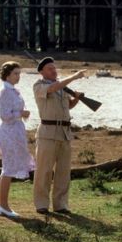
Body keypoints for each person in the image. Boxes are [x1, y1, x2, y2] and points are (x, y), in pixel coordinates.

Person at [33, 57, 86, 214]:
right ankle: (41, 204)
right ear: (42, 72)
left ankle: (61, 204)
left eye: (54, 68)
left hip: (65, 134)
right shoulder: (39, 85)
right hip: (47, 133)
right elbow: (51, 89)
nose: (54, 71)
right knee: (44, 171)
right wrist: (74, 77)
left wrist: (76, 99)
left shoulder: (61, 87)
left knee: (64, 172)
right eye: (50, 68)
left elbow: (68, 106)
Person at [0, 61, 35, 218]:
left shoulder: (13, 91)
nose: (18, 76)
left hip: (15, 131)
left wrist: (22, 113)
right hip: (8, 133)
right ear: (7, 74)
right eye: (15, 73)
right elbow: (4, 116)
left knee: (7, 167)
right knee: (9, 168)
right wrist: (21, 114)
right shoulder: (5, 91)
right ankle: (4, 205)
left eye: (19, 73)